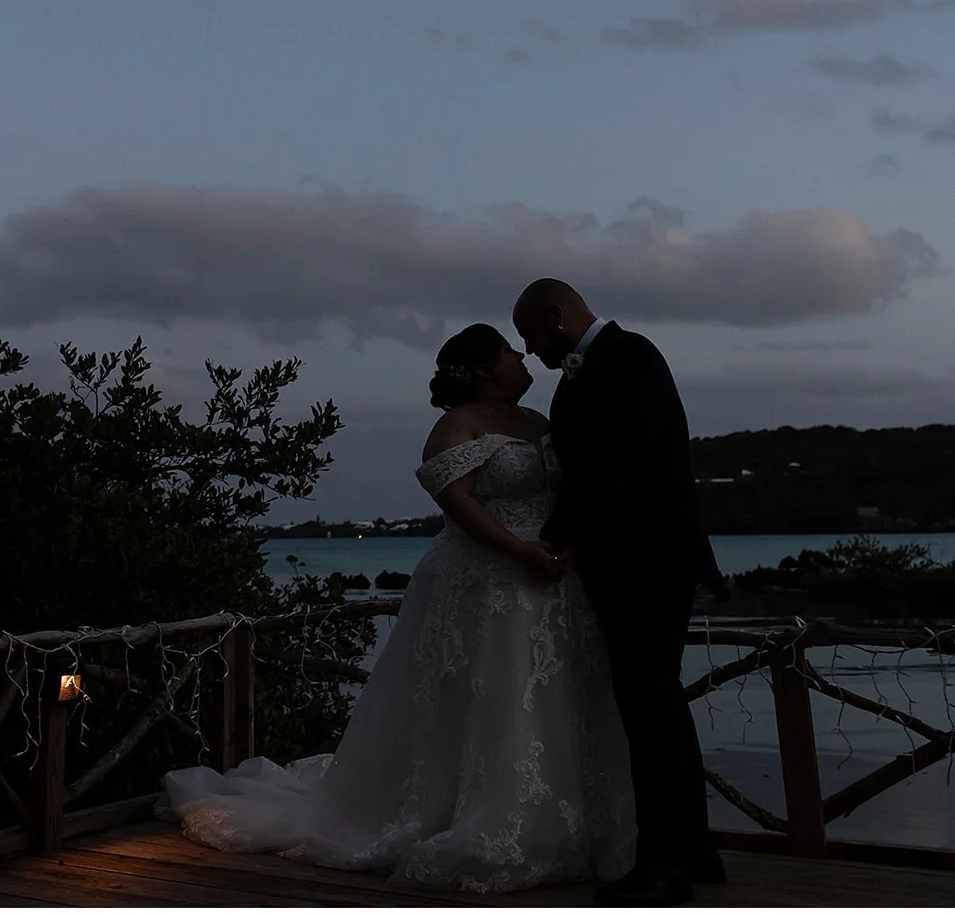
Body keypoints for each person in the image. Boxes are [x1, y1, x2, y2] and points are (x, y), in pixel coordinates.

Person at [159, 323, 636, 893]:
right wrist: (519, 551)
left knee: (555, 696)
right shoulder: (455, 426)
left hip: (554, 577)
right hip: (488, 578)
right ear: (484, 369)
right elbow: (458, 503)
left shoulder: (539, 424)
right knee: (496, 695)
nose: (522, 356)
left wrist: (563, 545)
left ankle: (570, 823)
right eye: (510, 352)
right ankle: (486, 820)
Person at [513, 279, 729, 906]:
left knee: (650, 710)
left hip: (647, 562)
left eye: (529, 332)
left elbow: (613, 466)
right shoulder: (603, 363)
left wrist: (555, 540)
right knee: (659, 706)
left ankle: (664, 869)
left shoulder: (628, 355)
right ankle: (693, 849)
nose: (529, 349)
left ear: (555, 316)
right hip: (641, 561)